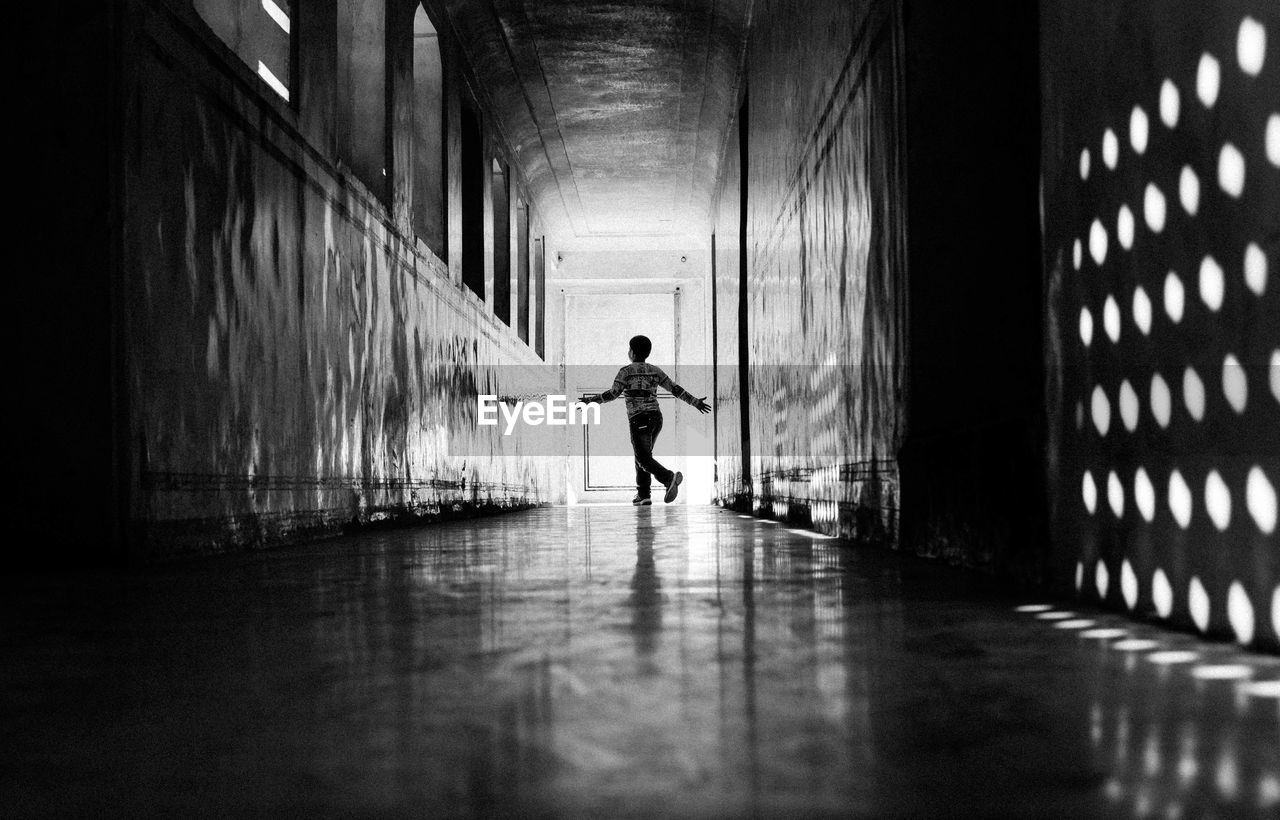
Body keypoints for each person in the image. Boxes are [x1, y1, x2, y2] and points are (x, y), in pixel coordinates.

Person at [582, 335, 711, 505]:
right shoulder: (655, 370)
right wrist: (695, 402)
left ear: (632, 353)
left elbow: (613, 394)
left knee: (643, 459)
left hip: (639, 418)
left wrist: (591, 400)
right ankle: (643, 495)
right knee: (642, 456)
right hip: (656, 419)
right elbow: (675, 389)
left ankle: (668, 477)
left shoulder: (626, 372)